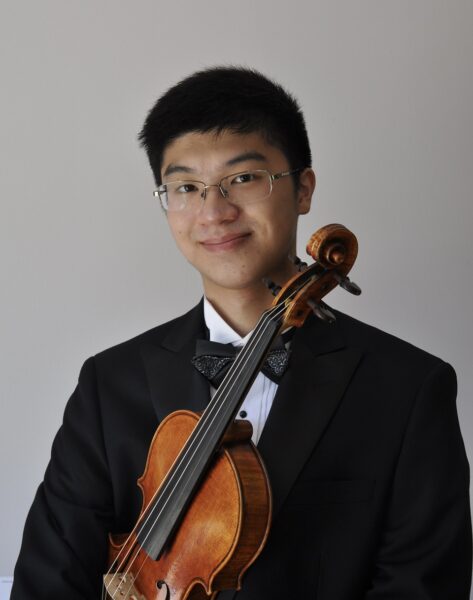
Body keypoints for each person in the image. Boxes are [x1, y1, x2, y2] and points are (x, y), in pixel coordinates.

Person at [12, 66, 472, 599]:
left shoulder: (408, 389)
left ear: (303, 189)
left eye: (244, 178)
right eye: (186, 186)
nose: (214, 210)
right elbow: (47, 584)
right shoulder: (108, 385)